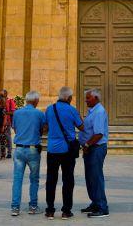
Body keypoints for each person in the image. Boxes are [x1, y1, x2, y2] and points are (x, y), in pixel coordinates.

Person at [45, 86, 84, 220]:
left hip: (52, 149)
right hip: (67, 150)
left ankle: (50, 210)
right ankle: (66, 211)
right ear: (68, 98)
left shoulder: (50, 109)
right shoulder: (72, 110)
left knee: (51, 180)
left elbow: (45, 126)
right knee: (68, 180)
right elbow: (81, 126)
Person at [10, 91, 47, 216]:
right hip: (33, 149)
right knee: (34, 179)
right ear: (36, 101)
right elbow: (43, 129)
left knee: (17, 179)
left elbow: (15, 128)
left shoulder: (17, 112)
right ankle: (33, 206)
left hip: (19, 148)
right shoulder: (39, 114)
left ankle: (15, 208)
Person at [80, 89, 109, 218]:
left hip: (95, 148)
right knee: (90, 177)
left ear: (96, 98)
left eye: (88, 98)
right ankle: (95, 202)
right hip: (91, 148)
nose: (86, 100)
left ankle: (102, 207)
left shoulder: (99, 112)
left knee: (96, 177)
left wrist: (87, 144)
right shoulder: (92, 111)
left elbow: (99, 134)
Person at [2, 89, 17, 156]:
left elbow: (13, 112)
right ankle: (2, 152)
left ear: (6, 94)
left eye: (2, 95)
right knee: (1, 137)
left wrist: (6, 113)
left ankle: (9, 152)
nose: (1, 96)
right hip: (0, 121)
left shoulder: (10, 101)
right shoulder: (0, 101)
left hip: (7, 121)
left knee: (7, 137)